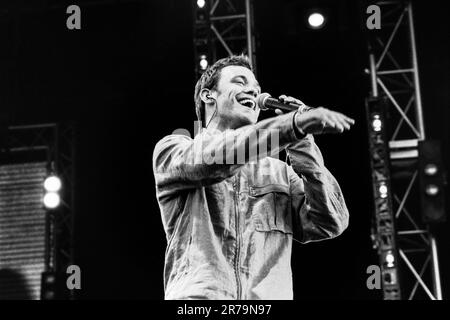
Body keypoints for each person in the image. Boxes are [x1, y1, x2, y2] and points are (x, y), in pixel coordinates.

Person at [152, 55, 355, 300]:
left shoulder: (279, 173)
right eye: (240, 82)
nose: (253, 91)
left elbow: (329, 222)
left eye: (257, 88)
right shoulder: (174, 150)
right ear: (208, 96)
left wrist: (302, 143)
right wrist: (290, 126)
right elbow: (216, 159)